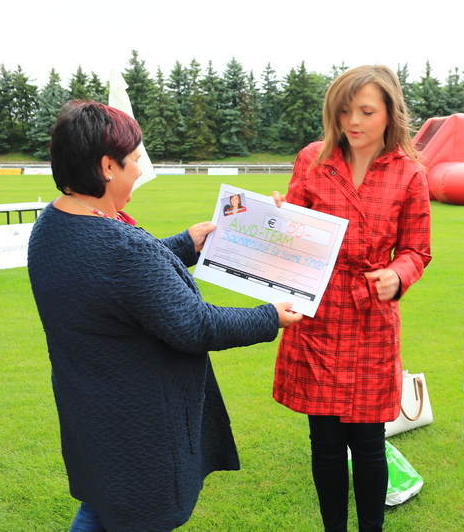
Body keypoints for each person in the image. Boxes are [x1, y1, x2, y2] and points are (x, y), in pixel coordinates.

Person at [27, 100, 302, 532]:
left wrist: (184, 244)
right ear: (107, 167)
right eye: (135, 159)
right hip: (139, 426)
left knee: (103, 505)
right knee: (133, 514)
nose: (140, 170)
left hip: (91, 411)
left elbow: (113, 279)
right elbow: (194, 324)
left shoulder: (52, 225)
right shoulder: (122, 249)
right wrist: (268, 317)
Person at [272, 65, 432, 532]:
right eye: (344, 112)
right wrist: (277, 218)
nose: (353, 122)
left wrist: (397, 275)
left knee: (368, 441)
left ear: (390, 113)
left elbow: (417, 250)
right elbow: (295, 234)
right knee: (324, 442)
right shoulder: (313, 158)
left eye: (366, 111)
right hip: (318, 315)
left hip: (371, 320)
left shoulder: (409, 173)